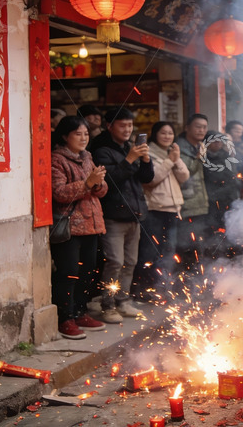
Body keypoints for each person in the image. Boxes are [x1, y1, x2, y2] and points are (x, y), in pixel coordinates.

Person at [91, 107, 154, 323]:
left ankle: (123, 300)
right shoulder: (102, 150)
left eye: (130, 125)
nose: (127, 129)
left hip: (134, 214)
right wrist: (129, 159)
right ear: (110, 126)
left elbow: (146, 178)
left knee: (130, 261)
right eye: (122, 125)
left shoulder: (130, 147)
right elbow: (108, 182)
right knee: (115, 261)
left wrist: (145, 159)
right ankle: (107, 305)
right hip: (113, 215)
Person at [50, 116, 108, 339]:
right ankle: (65, 318)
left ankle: (80, 311)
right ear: (65, 136)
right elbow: (59, 193)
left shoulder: (87, 157)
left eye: (86, 134)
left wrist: (97, 183)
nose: (84, 138)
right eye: (78, 134)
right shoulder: (57, 160)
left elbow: (103, 191)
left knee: (88, 271)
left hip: (92, 224)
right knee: (69, 273)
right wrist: (87, 184)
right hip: (70, 227)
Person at [135, 121, 189, 296]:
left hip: (173, 209)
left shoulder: (171, 153)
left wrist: (177, 159)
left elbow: (184, 176)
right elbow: (151, 179)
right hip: (154, 209)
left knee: (169, 251)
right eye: (163, 133)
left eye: (170, 133)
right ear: (155, 134)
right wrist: (169, 161)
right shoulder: (147, 152)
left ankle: (162, 288)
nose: (167, 136)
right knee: (149, 252)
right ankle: (143, 289)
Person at [176, 114, 211, 269]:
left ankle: (196, 276)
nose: (201, 130)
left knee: (198, 243)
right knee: (185, 244)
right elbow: (186, 173)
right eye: (198, 126)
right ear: (187, 128)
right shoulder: (178, 148)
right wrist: (198, 158)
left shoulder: (199, 146)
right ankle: (184, 276)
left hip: (199, 204)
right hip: (185, 205)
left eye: (204, 127)